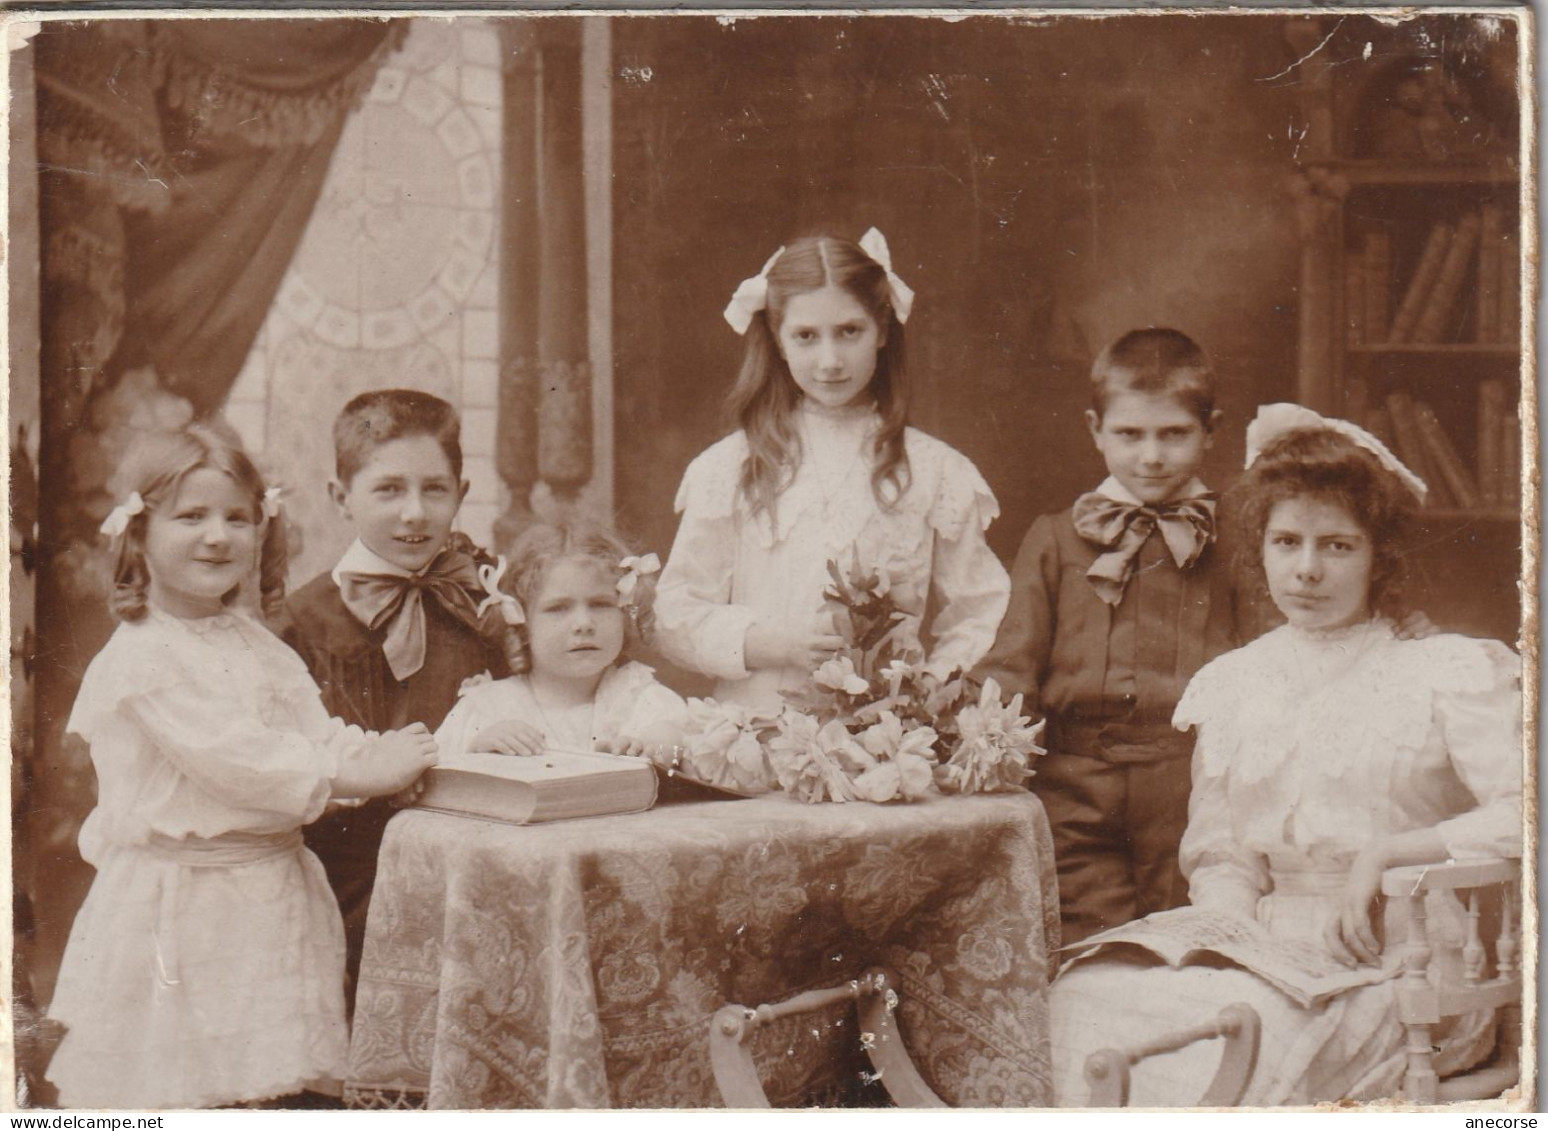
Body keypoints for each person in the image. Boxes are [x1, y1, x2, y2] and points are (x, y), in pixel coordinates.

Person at [1048, 404, 1522, 1106]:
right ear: (1259, 548)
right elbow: (1225, 858)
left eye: (1336, 545)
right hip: (1267, 952)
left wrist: (1387, 854)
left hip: (1412, 962)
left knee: (1237, 1042)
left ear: (1377, 556)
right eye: (1286, 541)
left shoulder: (1443, 669)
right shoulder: (1236, 682)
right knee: (1080, 996)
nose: (1306, 569)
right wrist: (1223, 942)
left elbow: (1527, 814)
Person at [46, 423, 438, 1109]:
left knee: (262, 1084)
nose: (217, 536)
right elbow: (237, 760)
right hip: (187, 907)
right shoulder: (144, 657)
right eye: (190, 516)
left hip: (268, 898)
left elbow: (312, 734)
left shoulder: (254, 643)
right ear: (138, 535)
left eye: (237, 517)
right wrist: (358, 775)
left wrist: (382, 754)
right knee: (182, 1084)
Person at [655, 228, 1010, 713]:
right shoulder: (731, 467)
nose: (830, 361)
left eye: (849, 332)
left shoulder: (934, 470)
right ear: (779, 342)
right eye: (806, 336)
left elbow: (980, 608)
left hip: (887, 745)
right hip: (752, 733)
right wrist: (776, 645)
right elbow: (675, 614)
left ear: (882, 329)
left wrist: (924, 689)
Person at [975, 328, 1238, 944]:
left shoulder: (1238, 542)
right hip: (1074, 791)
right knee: (1088, 948)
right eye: (1129, 434)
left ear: (1211, 430)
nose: (1151, 456)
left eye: (1173, 434)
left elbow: (1270, 659)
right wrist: (992, 751)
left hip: (1192, 789)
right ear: (1096, 428)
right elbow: (1012, 663)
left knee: (1184, 947)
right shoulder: (1056, 537)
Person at [274, 389, 507, 1010]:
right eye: (388, 490)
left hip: (473, 873)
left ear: (462, 492)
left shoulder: (482, 611)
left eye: (435, 489)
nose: (414, 513)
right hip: (348, 881)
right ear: (340, 497)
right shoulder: (296, 623)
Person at [434, 521, 690, 759]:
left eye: (601, 604)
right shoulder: (487, 709)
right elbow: (440, 779)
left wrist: (663, 746)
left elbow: (684, 757)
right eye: (558, 608)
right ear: (521, 622)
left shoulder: (645, 702)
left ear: (624, 612)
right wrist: (479, 750)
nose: (584, 624)